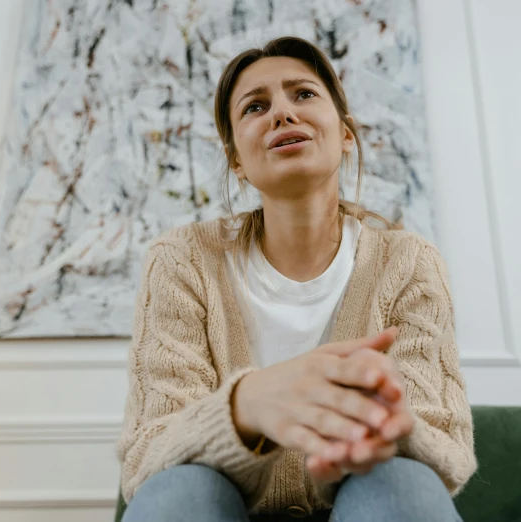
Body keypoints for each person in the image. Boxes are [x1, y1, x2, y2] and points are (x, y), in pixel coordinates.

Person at [117, 36, 476, 522]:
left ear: (345, 132)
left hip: (370, 501)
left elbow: (447, 452)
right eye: (255, 106)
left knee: (402, 480)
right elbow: (147, 458)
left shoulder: (409, 262)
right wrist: (247, 406)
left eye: (303, 94)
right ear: (236, 162)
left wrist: (386, 427)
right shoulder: (181, 260)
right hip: (218, 508)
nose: (282, 114)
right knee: (180, 489)